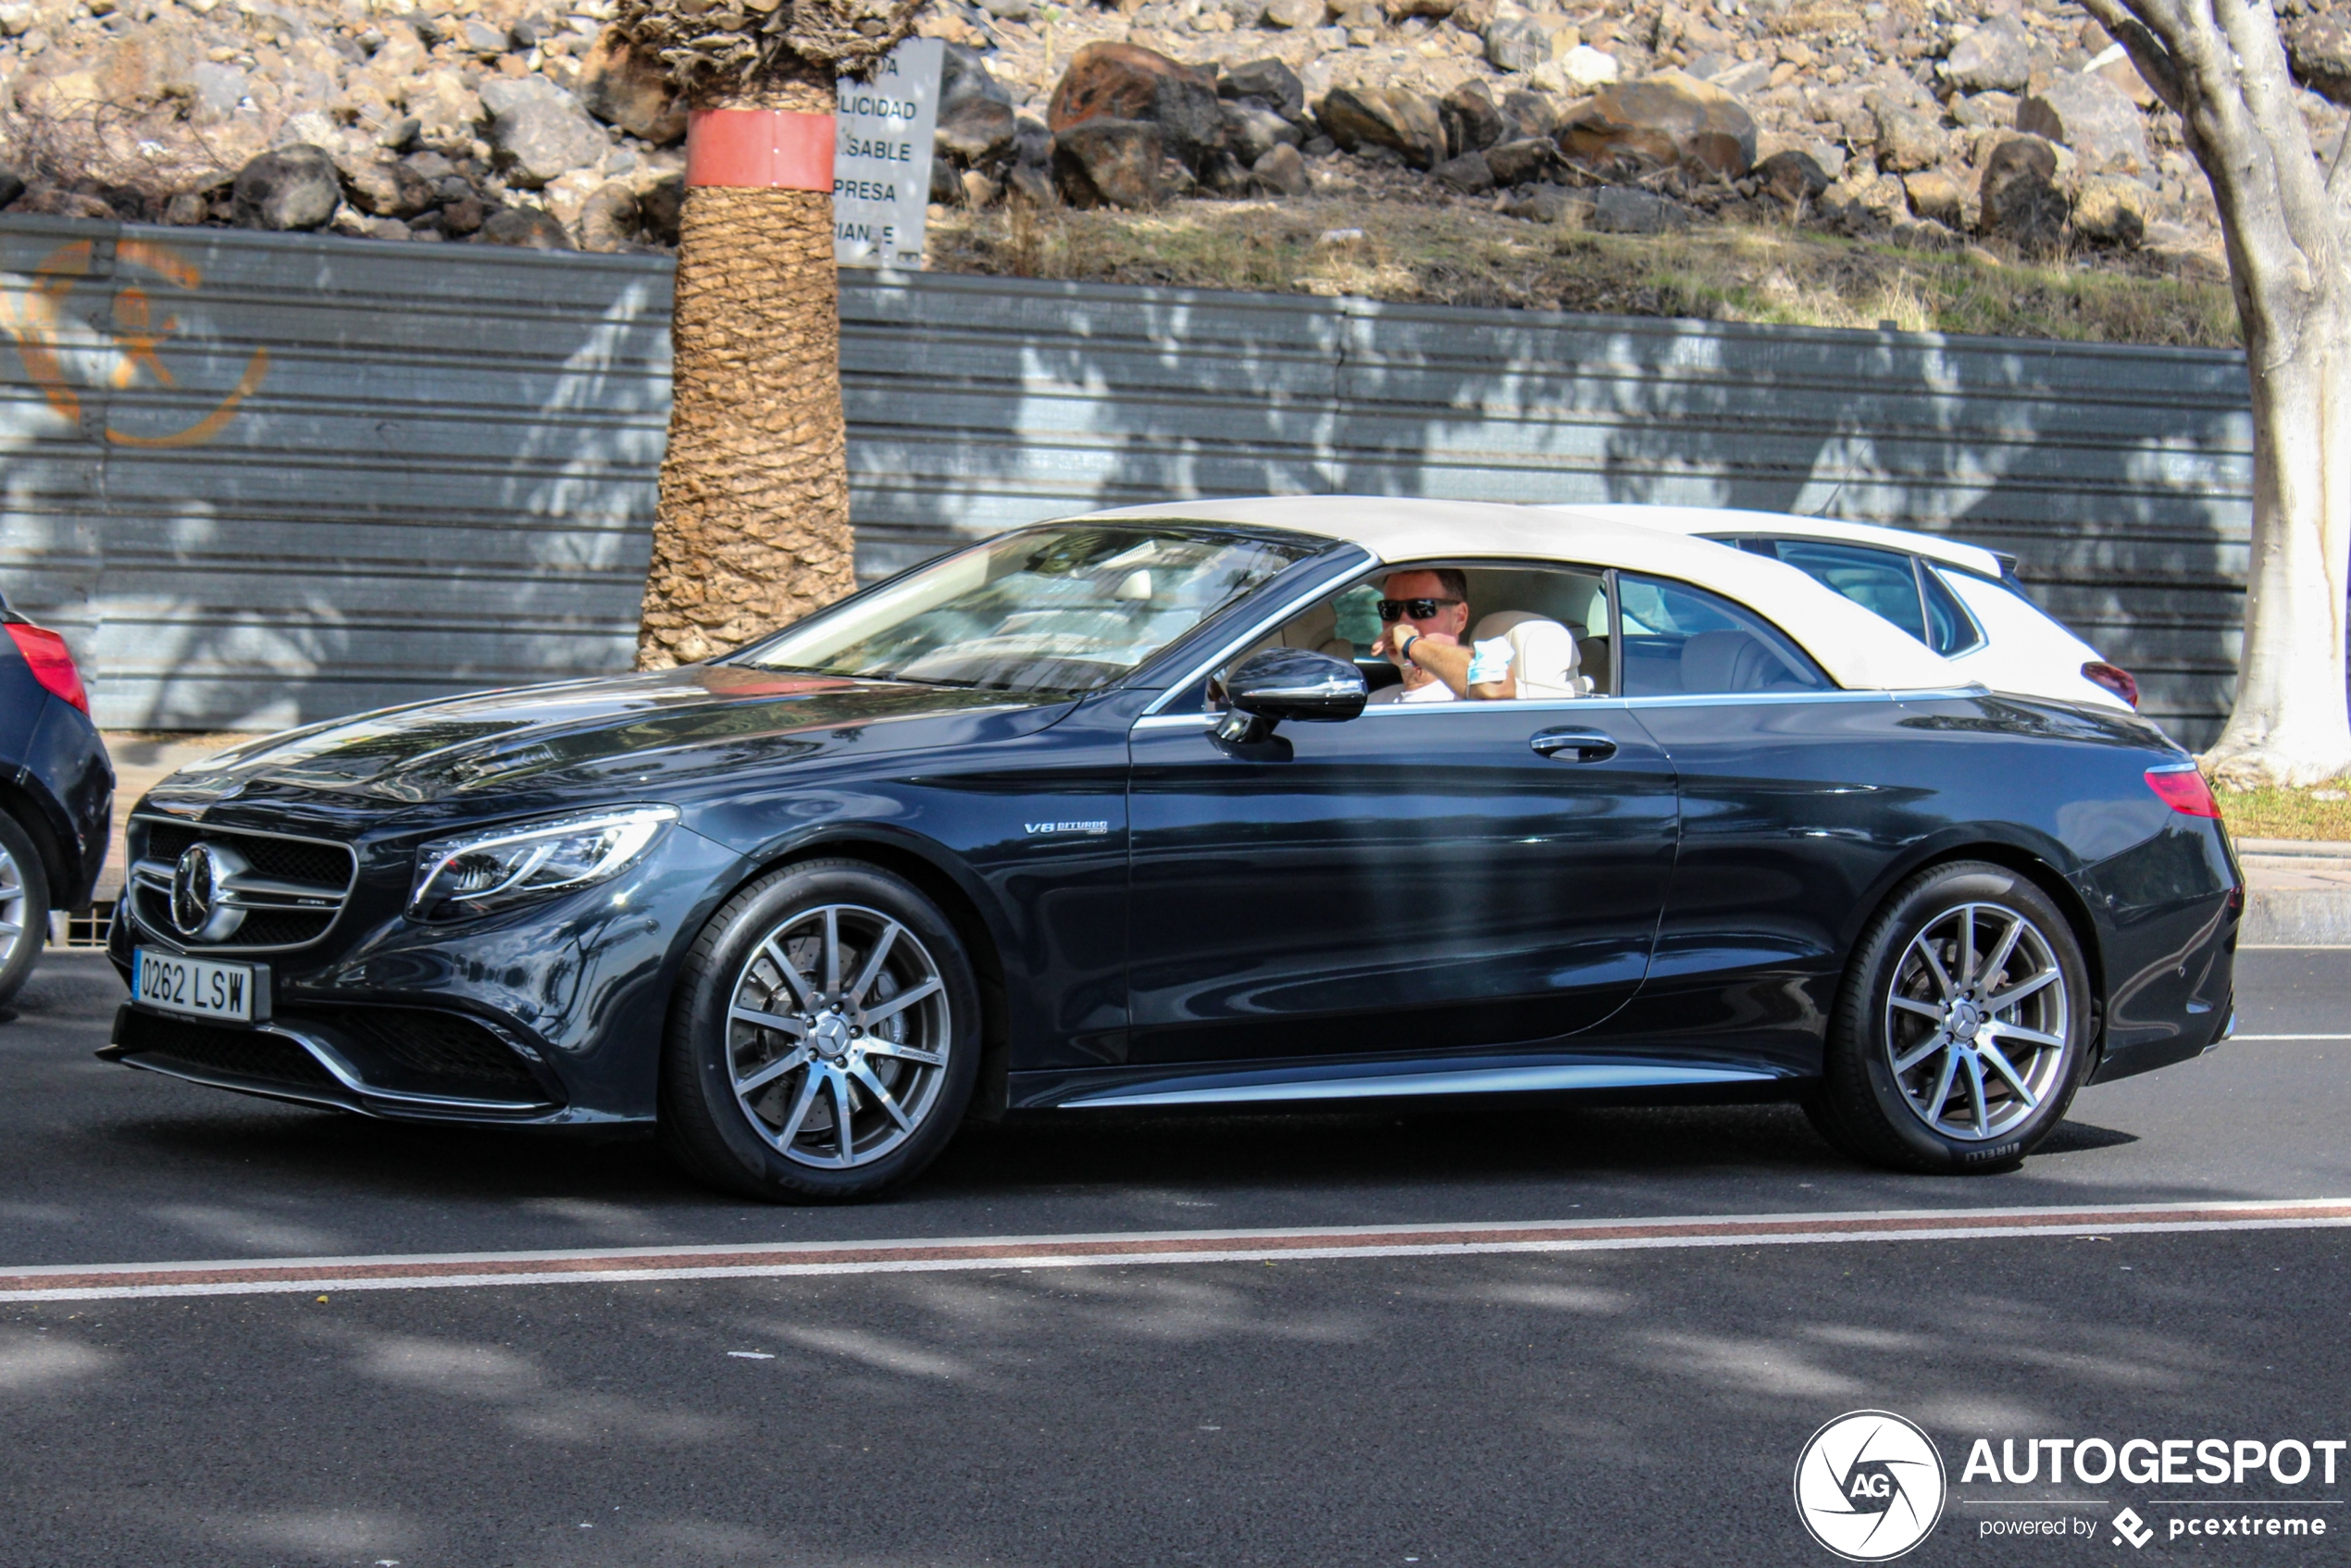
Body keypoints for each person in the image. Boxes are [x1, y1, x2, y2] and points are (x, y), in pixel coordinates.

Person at [1366, 568, 1516, 703]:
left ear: (1459, 617)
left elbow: (1493, 689)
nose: (1401, 623)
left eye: (1421, 608)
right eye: (1390, 609)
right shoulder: (1375, 703)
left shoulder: (1476, 686)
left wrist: (1411, 644)